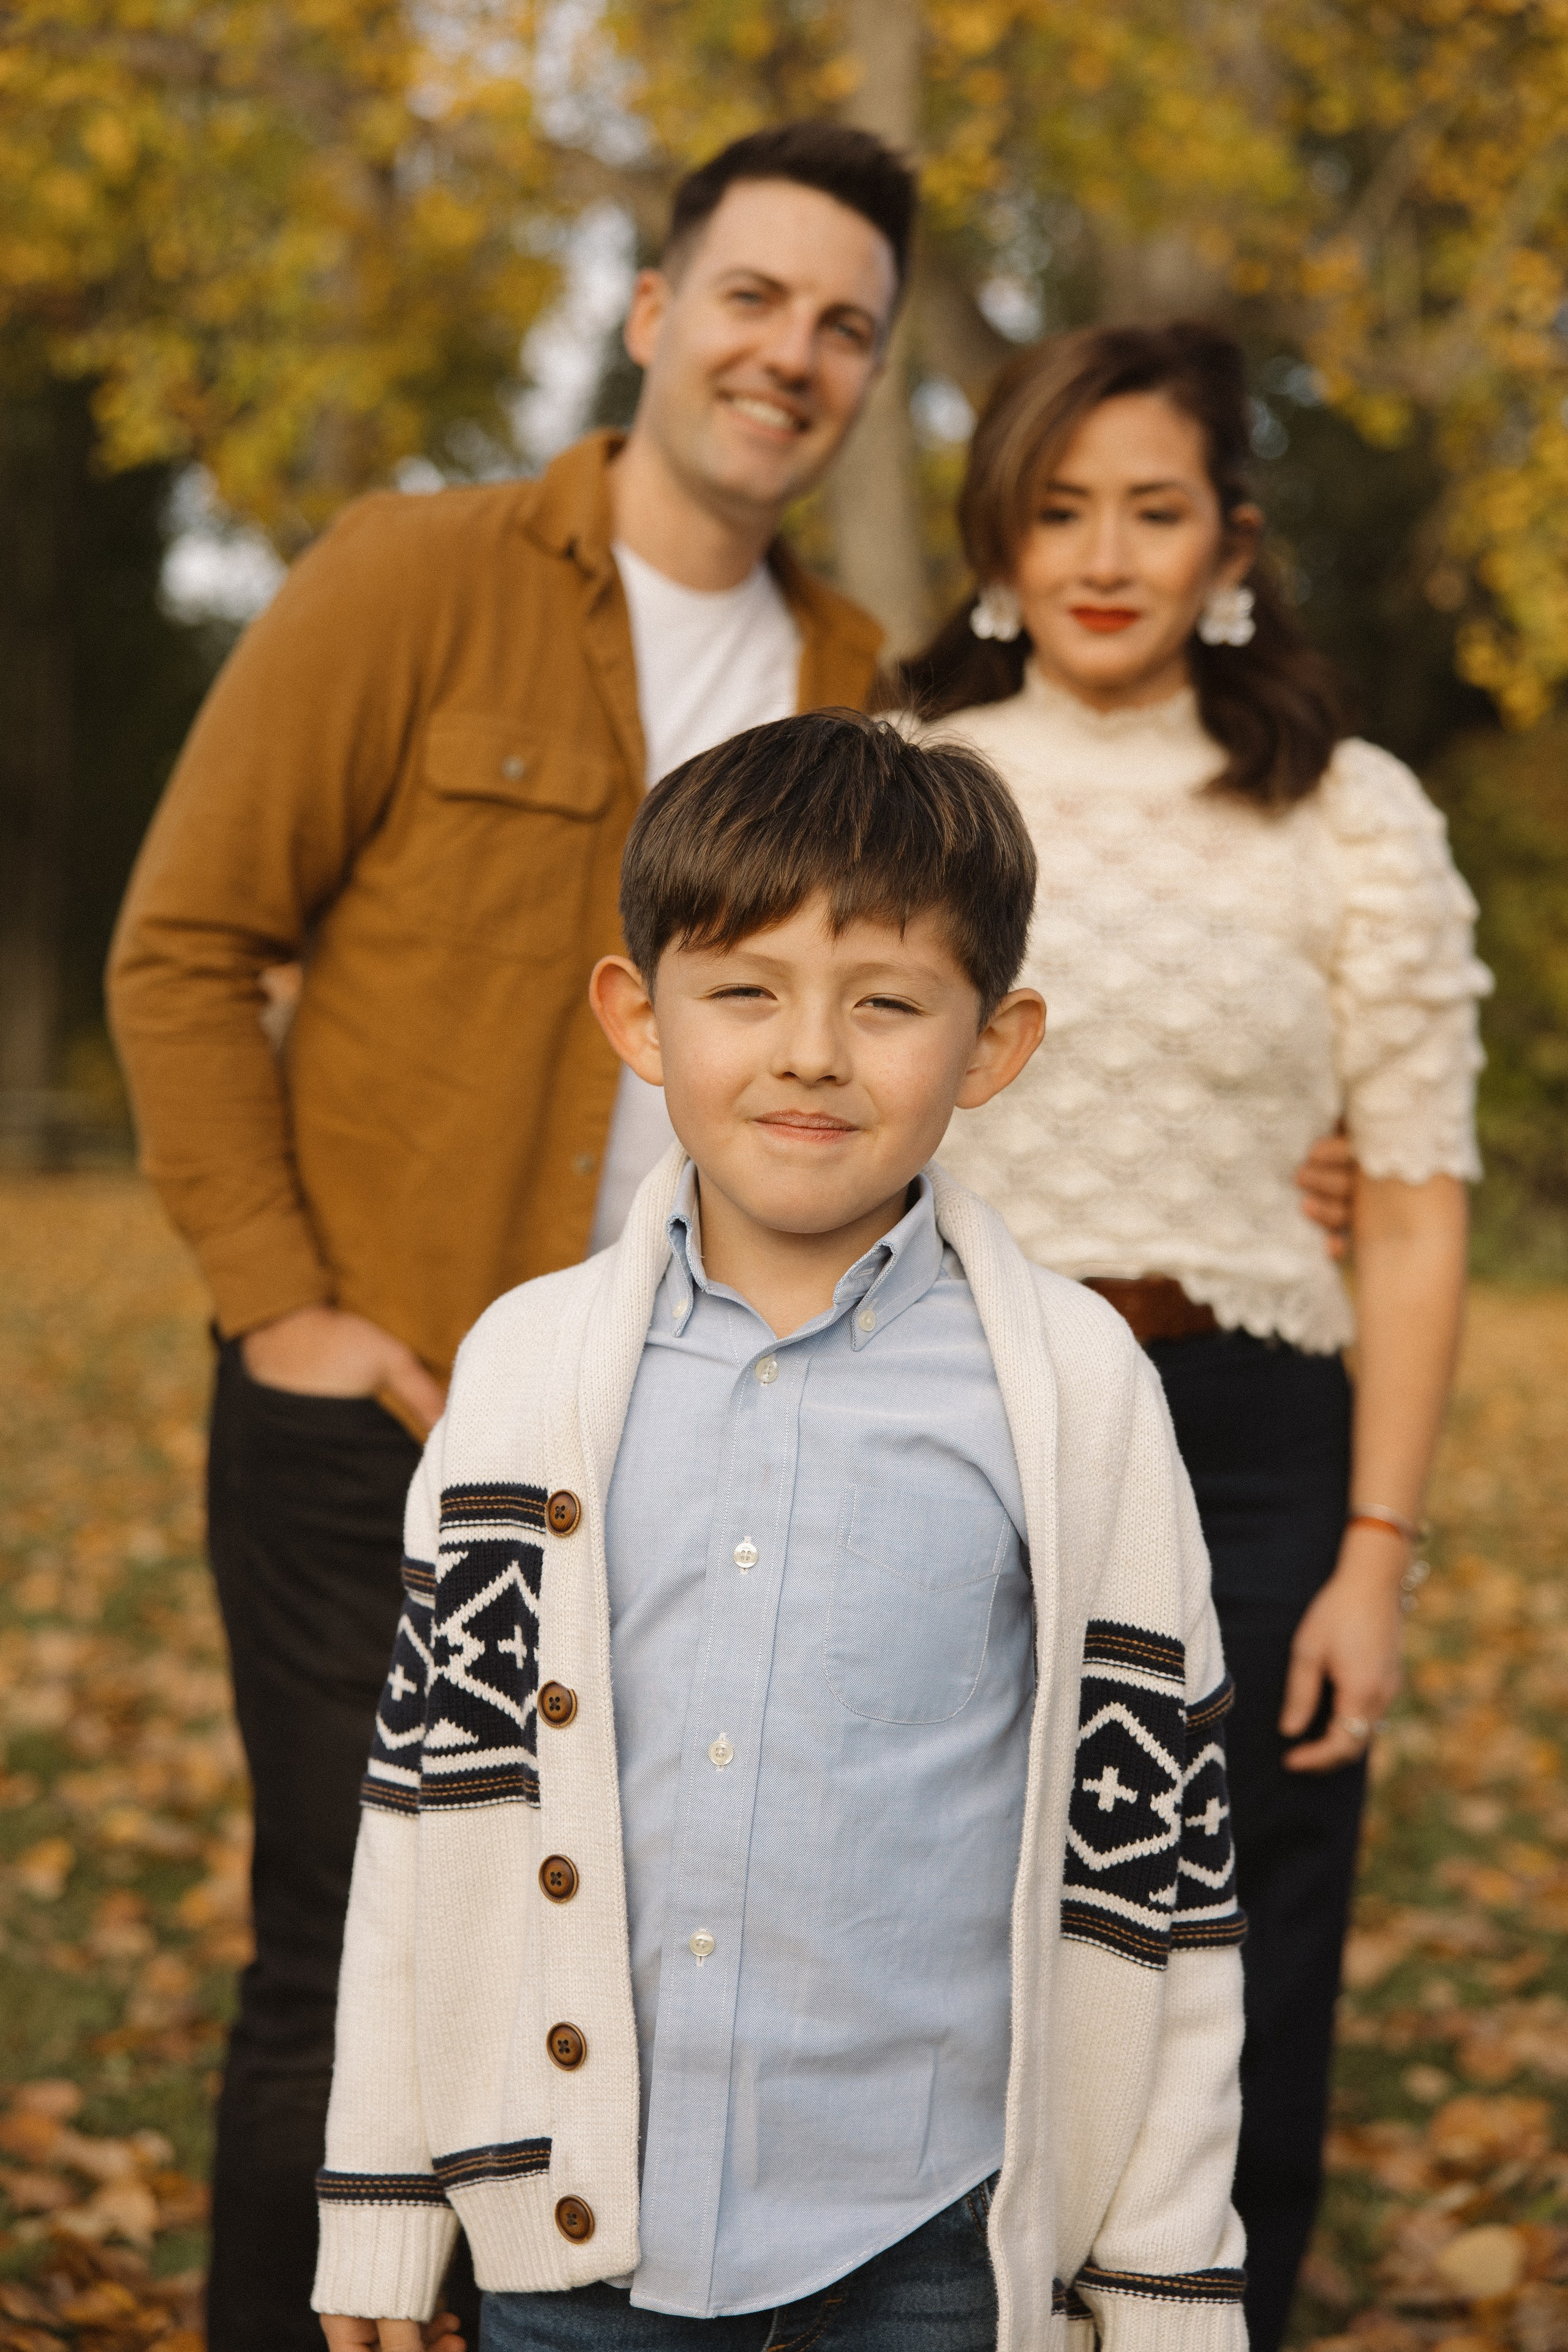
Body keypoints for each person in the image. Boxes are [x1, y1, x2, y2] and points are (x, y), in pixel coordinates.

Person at [106, 123, 915, 2351]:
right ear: (656, 313)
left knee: (611, 1973)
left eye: (847, 325)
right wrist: (281, 1311)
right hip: (380, 1413)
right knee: (352, 1960)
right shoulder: (415, 573)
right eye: (754, 296)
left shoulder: (859, 670)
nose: (794, 353)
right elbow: (182, 944)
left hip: (694, 1449)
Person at [313, 709, 1248, 2352]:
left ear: (993, 1043)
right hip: (580, 2245)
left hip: (939, 2247)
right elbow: (429, 1817)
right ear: (640, 1017)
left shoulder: (1077, 1390)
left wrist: (1163, 2278)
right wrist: (389, 2197)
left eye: (887, 1003)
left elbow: (1157, 1867)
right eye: (744, 990)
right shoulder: (525, 1375)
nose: (811, 1051)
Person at [899, 320, 1490, 2352]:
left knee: (1232, 1950)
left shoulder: (1351, 811)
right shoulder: (913, 780)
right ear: (998, 531)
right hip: (953, 1402)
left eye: (1153, 510)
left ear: (1231, 538)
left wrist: (1375, 1559)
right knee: (941, 1924)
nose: (1103, 554)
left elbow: (1412, 1199)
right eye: (1059, 510)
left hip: (1254, 1434)